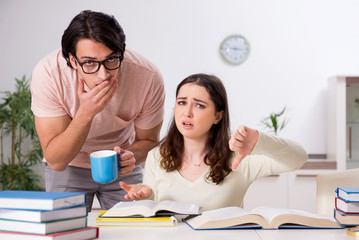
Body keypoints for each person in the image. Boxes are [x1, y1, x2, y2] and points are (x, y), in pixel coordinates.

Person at [30, 10, 165, 210]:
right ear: (73, 61)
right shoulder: (49, 74)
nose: (103, 75)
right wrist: (86, 113)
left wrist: (131, 156)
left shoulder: (147, 76)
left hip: (122, 168)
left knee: (135, 228)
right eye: (90, 63)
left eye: (111, 60)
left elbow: (149, 140)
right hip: (69, 165)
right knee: (66, 232)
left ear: (122, 52)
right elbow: (56, 160)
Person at [120, 73, 307, 211]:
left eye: (199, 105)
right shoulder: (157, 156)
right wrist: (145, 193)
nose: (187, 113)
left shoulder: (239, 158)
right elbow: (154, 202)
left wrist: (260, 139)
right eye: (182, 102)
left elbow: (298, 159)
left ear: (218, 116)